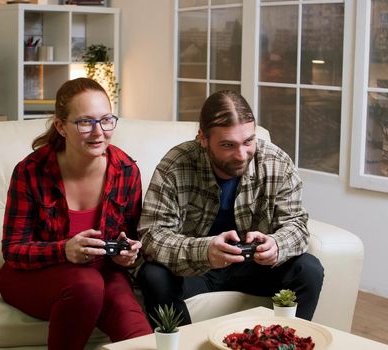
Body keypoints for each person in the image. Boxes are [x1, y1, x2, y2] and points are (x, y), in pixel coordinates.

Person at [137, 90, 324, 325]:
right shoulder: (176, 165)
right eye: (228, 145)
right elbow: (152, 235)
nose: (241, 155)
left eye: (248, 141)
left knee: (308, 269)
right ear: (203, 139)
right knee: (153, 275)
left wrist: (276, 245)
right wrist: (204, 250)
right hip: (195, 270)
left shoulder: (276, 162)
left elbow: (297, 224)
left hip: (254, 268)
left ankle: (284, 342)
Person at [0, 77, 152, 349]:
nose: (98, 132)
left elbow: (130, 236)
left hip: (103, 273)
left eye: (106, 120)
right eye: (85, 122)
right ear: (61, 126)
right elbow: (12, 249)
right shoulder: (31, 171)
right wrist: (63, 250)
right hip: (33, 276)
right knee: (87, 285)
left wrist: (127, 256)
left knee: (139, 338)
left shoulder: (127, 171)